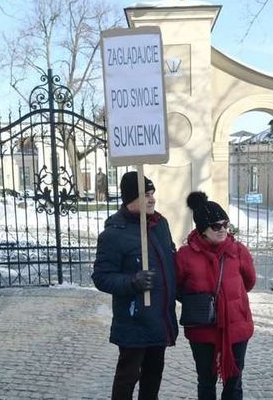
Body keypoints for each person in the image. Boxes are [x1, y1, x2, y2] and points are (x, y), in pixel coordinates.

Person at [92, 171, 178, 400]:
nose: (152, 199)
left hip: (159, 318)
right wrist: (132, 281)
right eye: (146, 194)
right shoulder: (113, 234)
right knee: (127, 379)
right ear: (131, 198)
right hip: (134, 321)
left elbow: (170, 262)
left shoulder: (160, 224)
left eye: (152, 193)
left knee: (153, 379)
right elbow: (101, 277)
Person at [176, 191, 256, 400]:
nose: (222, 230)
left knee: (234, 382)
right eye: (216, 226)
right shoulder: (185, 255)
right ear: (202, 229)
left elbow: (249, 282)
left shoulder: (238, 251)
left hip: (235, 325)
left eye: (225, 224)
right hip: (203, 329)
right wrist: (199, 301)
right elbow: (177, 287)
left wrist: (229, 301)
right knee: (206, 382)